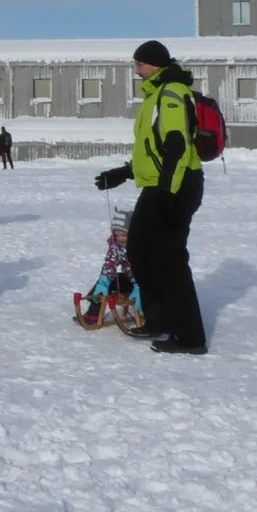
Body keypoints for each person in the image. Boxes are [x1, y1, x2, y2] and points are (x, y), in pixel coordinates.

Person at [94, 40, 207, 355]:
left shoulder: (171, 93)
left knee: (169, 260)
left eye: (139, 64)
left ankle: (190, 337)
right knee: (140, 252)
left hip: (175, 186)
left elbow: (176, 145)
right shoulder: (155, 95)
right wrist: (123, 172)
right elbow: (152, 151)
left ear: (154, 64)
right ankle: (158, 321)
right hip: (158, 185)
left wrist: (169, 194)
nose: (136, 70)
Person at [79, 212, 140, 326]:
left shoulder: (142, 246)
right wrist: (103, 282)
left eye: (124, 235)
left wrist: (141, 287)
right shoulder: (117, 246)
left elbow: (149, 270)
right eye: (117, 235)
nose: (120, 238)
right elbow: (109, 265)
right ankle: (93, 312)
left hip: (145, 282)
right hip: (130, 280)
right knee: (107, 279)